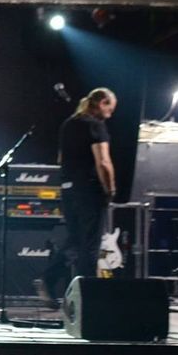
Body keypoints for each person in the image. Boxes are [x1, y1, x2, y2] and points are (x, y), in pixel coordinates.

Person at [55, 87, 117, 296]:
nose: (110, 115)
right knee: (90, 244)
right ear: (102, 103)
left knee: (75, 239)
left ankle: (49, 277)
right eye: (110, 109)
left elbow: (60, 159)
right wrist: (110, 189)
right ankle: (88, 295)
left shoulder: (68, 124)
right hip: (89, 190)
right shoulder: (95, 125)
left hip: (68, 188)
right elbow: (103, 162)